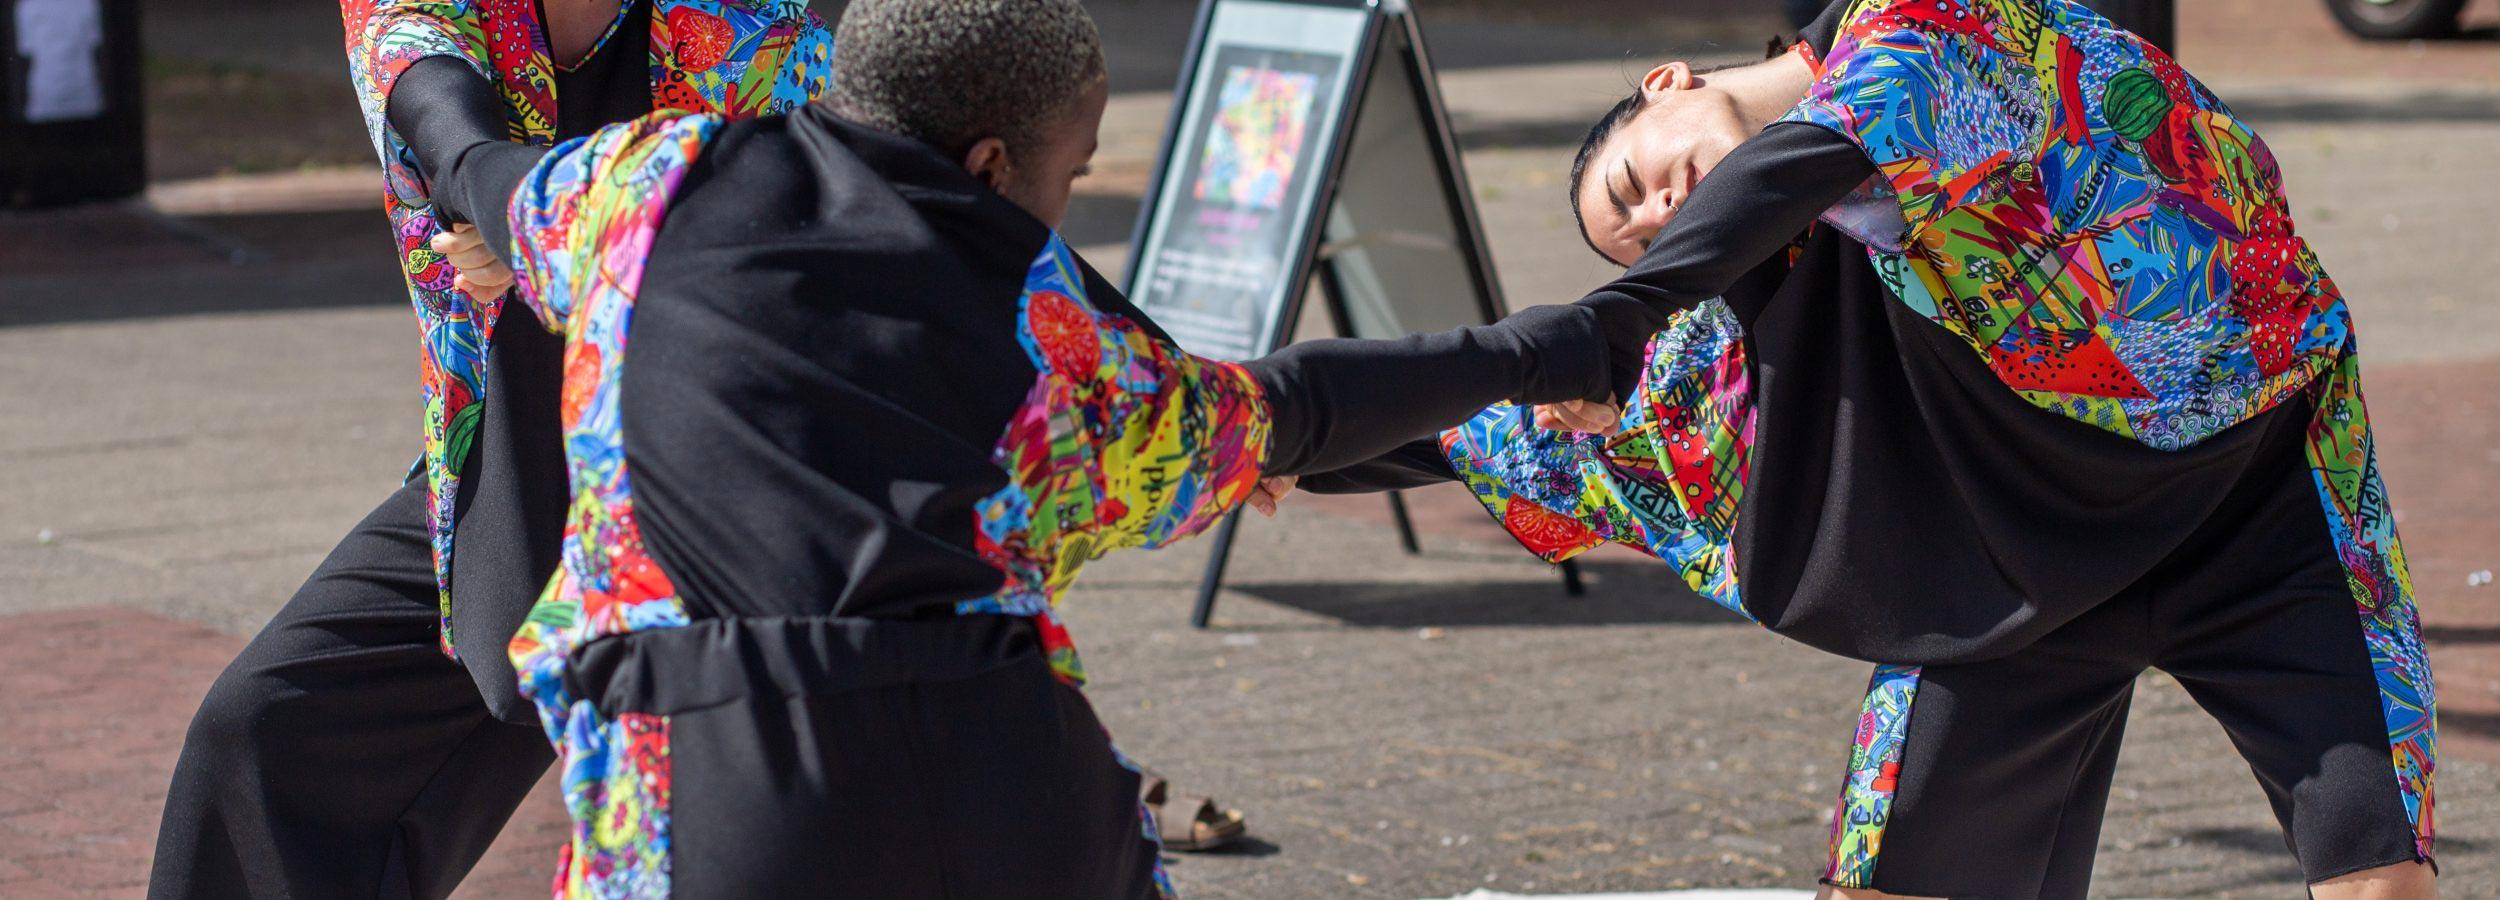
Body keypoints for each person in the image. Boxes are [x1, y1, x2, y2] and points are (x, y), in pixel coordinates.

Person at [406, 0, 1642, 892]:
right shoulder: (1061, 339)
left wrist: (412, 41)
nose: (1063, 204)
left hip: (708, 778)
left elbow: (467, 155)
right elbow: (1294, 409)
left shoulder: (638, 185)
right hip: (1012, 782)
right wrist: (1542, 351)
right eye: (1073, 172)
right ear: (991, 161)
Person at [1294, 1, 2436, 897]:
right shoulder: (1738, 313)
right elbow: (1520, 439)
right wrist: (1282, 446)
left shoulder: (1929, 32)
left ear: (1665, 84)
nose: (1658, 215)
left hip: (2257, 517)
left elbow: (1833, 136)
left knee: (2376, 871)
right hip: (2014, 582)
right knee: (1884, 885)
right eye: (1634, 236)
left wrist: (1618, 314)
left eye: (1636, 182)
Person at [145, 0, 831, 895]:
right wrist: (526, 208)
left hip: (718, 483)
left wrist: (560, 233)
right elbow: (453, 137)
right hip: (505, 471)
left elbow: (801, 241)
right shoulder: (422, 10)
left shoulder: (746, 24)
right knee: (267, 739)